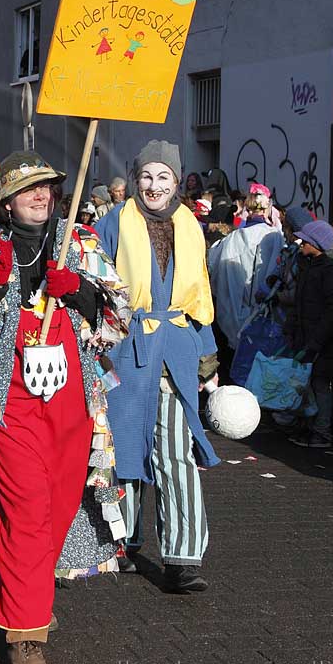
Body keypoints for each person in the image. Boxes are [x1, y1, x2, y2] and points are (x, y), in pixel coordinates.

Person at [0, 150, 129, 664]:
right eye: (28, 189)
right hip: (7, 402)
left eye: (47, 188)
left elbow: (118, 316)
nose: (41, 197)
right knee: (26, 510)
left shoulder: (80, 241)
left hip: (71, 403)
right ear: (5, 201)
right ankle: (26, 636)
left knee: (59, 508)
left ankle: (31, 594)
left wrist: (81, 291)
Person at [94, 140, 219, 595]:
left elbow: (200, 294)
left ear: (176, 182)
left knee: (175, 454)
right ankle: (120, 540)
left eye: (163, 177)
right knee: (123, 447)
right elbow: (94, 284)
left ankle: (184, 558)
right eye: (147, 176)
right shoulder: (113, 223)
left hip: (176, 351)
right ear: (135, 178)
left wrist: (207, 359)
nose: (154, 185)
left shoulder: (190, 227)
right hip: (125, 348)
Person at [284, 221, 333, 449]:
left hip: (322, 341)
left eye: (306, 240)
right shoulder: (310, 266)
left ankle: (322, 431)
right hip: (308, 336)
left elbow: (332, 311)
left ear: (317, 244)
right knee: (308, 384)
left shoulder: (329, 271)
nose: (301, 243)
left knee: (320, 384)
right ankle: (310, 426)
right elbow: (299, 305)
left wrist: (316, 341)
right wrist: (292, 330)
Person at [207, 184, 284, 350]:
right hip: (264, 311)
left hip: (233, 310)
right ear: (267, 209)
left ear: (247, 209)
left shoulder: (232, 238)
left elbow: (214, 270)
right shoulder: (274, 236)